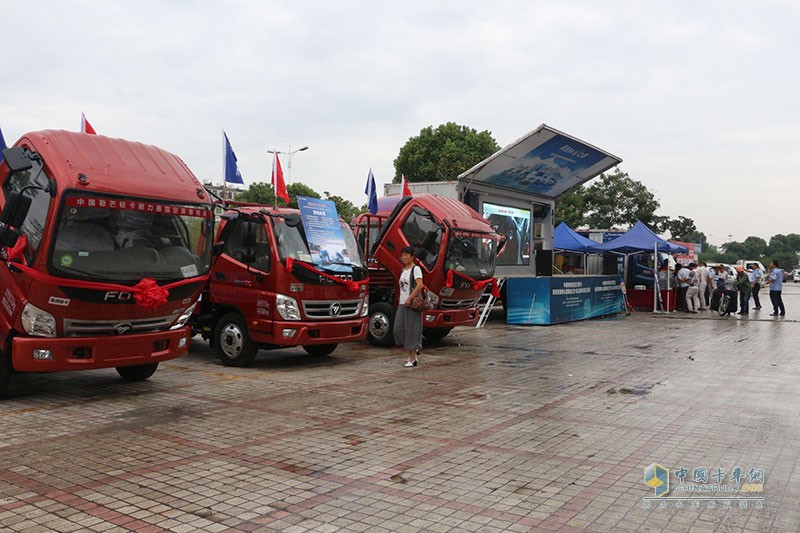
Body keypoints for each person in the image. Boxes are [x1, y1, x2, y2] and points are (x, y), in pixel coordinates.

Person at [393, 246, 424, 367]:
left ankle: (413, 358)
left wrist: (410, 298)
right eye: (402, 255)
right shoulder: (403, 270)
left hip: (411, 304)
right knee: (398, 329)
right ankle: (415, 347)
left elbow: (420, 285)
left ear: (412, 256)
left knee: (412, 330)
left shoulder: (416, 269)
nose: (404, 257)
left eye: (406, 255)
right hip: (402, 303)